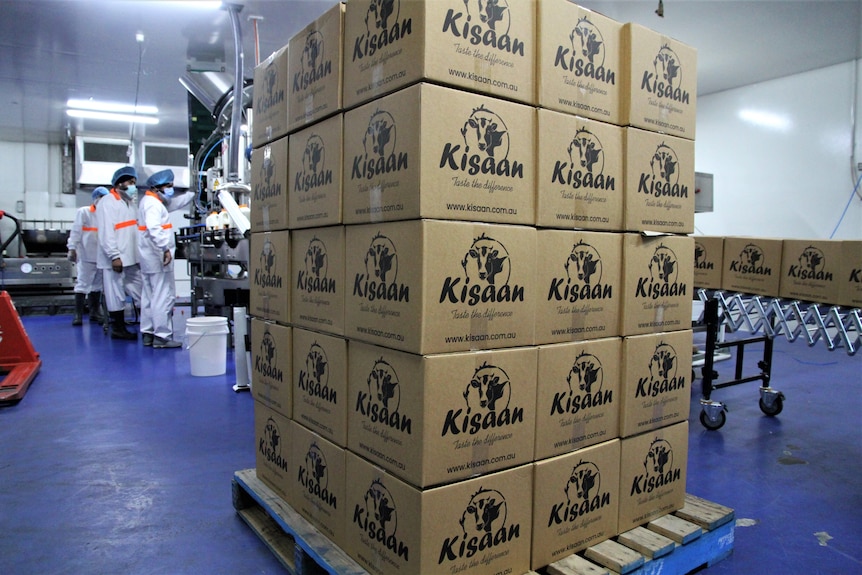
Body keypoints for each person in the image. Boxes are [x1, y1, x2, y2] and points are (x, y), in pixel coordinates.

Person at [137, 169, 194, 348]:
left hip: (148, 257)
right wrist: (165, 249)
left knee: (149, 296)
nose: (171, 190)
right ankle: (162, 336)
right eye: (168, 186)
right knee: (163, 296)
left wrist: (193, 193)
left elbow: (174, 203)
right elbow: (155, 229)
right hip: (157, 256)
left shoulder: (150, 201)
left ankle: (148, 332)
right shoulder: (153, 205)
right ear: (157, 188)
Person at [96, 166, 143, 340]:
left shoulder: (130, 203)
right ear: (119, 183)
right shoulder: (108, 202)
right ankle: (118, 328)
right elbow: (106, 232)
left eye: (134, 183)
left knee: (140, 289)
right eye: (130, 182)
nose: (133, 186)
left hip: (131, 257)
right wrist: (114, 256)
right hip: (115, 259)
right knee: (115, 293)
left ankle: (146, 324)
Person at [67, 187, 108, 326]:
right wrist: (72, 248)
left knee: (97, 285)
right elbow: (76, 231)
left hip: (102, 256)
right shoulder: (84, 212)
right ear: (96, 198)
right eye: (102, 198)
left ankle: (94, 313)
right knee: (82, 284)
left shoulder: (107, 215)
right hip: (86, 254)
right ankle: (78, 315)